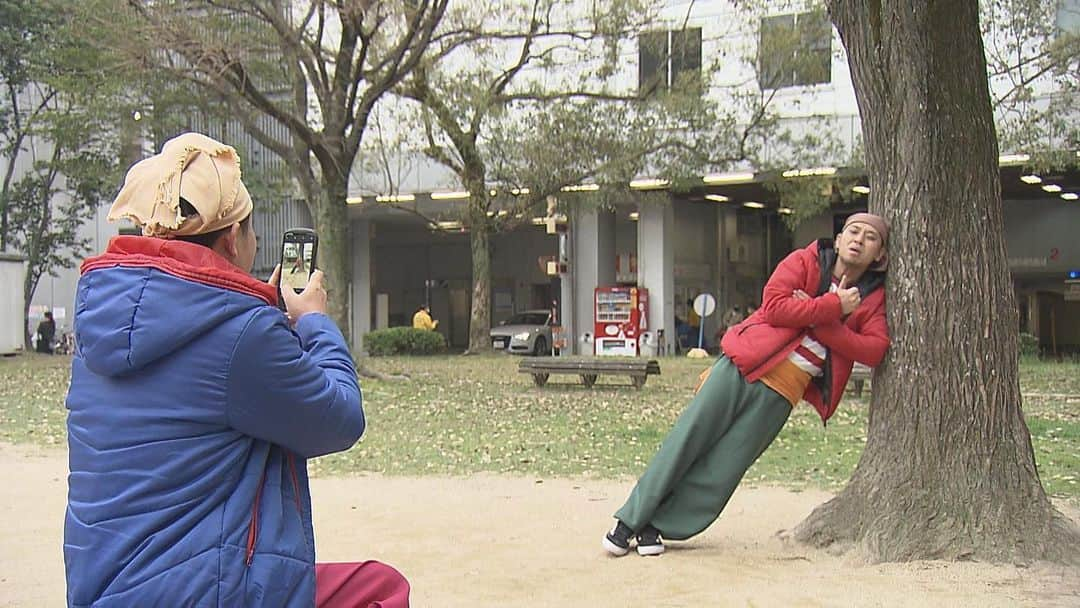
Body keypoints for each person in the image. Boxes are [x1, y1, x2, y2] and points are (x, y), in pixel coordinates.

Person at [64, 132, 409, 607]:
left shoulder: (98, 327)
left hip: (105, 590)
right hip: (199, 592)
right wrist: (312, 320)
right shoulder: (241, 335)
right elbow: (340, 418)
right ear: (232, 239)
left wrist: (264, 317)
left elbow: (207, 395)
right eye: (252, 231)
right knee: (382, 590)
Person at [602, 213, 890, 557]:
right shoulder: (807, 260)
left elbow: (874, 350)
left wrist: (820, 317)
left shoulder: (871, 298)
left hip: (783, 392)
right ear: (839, 239)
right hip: (741, 366)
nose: (859, 240)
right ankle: (628, 520)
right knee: (687, 439)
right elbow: (775, 307)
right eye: (853, 232)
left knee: (725, 466)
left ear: (880, 255)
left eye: (870, 237)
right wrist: (832, 307)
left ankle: (657, 526)